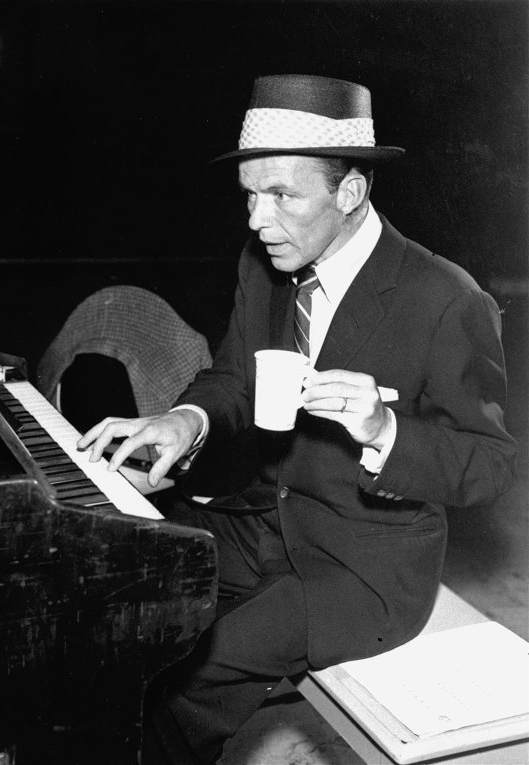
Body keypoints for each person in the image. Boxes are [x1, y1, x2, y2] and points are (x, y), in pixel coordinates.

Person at [77, 74, 517, 764]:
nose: (257, 220)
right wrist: (187, 419)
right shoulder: (264, 264)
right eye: (249, 195)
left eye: (281, 195)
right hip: (262, 519)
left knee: (192, 673)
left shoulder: (444, 298)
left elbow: (491, 464)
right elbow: (233, 376)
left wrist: (385, 432)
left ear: (350, 192)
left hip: (364, 567)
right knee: (124, 571)